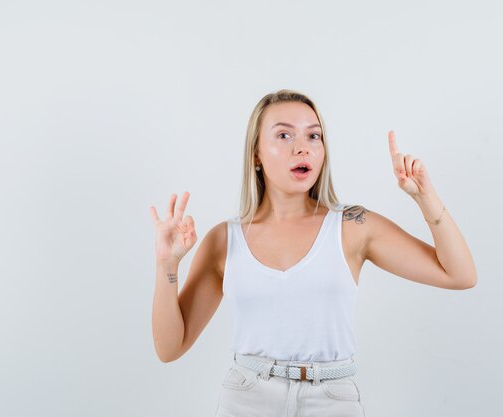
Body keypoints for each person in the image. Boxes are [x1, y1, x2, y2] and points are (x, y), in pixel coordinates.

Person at [149, 89, 477, 417]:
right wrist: (167, 264)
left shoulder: (352, 225)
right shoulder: (224, 239)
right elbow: (169, 347)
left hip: (331, 399)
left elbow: (459, 275)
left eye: (313, 135)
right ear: (256, 155)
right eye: (284, 134)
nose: (302, 146)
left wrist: (425, 198)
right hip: (247, 399)